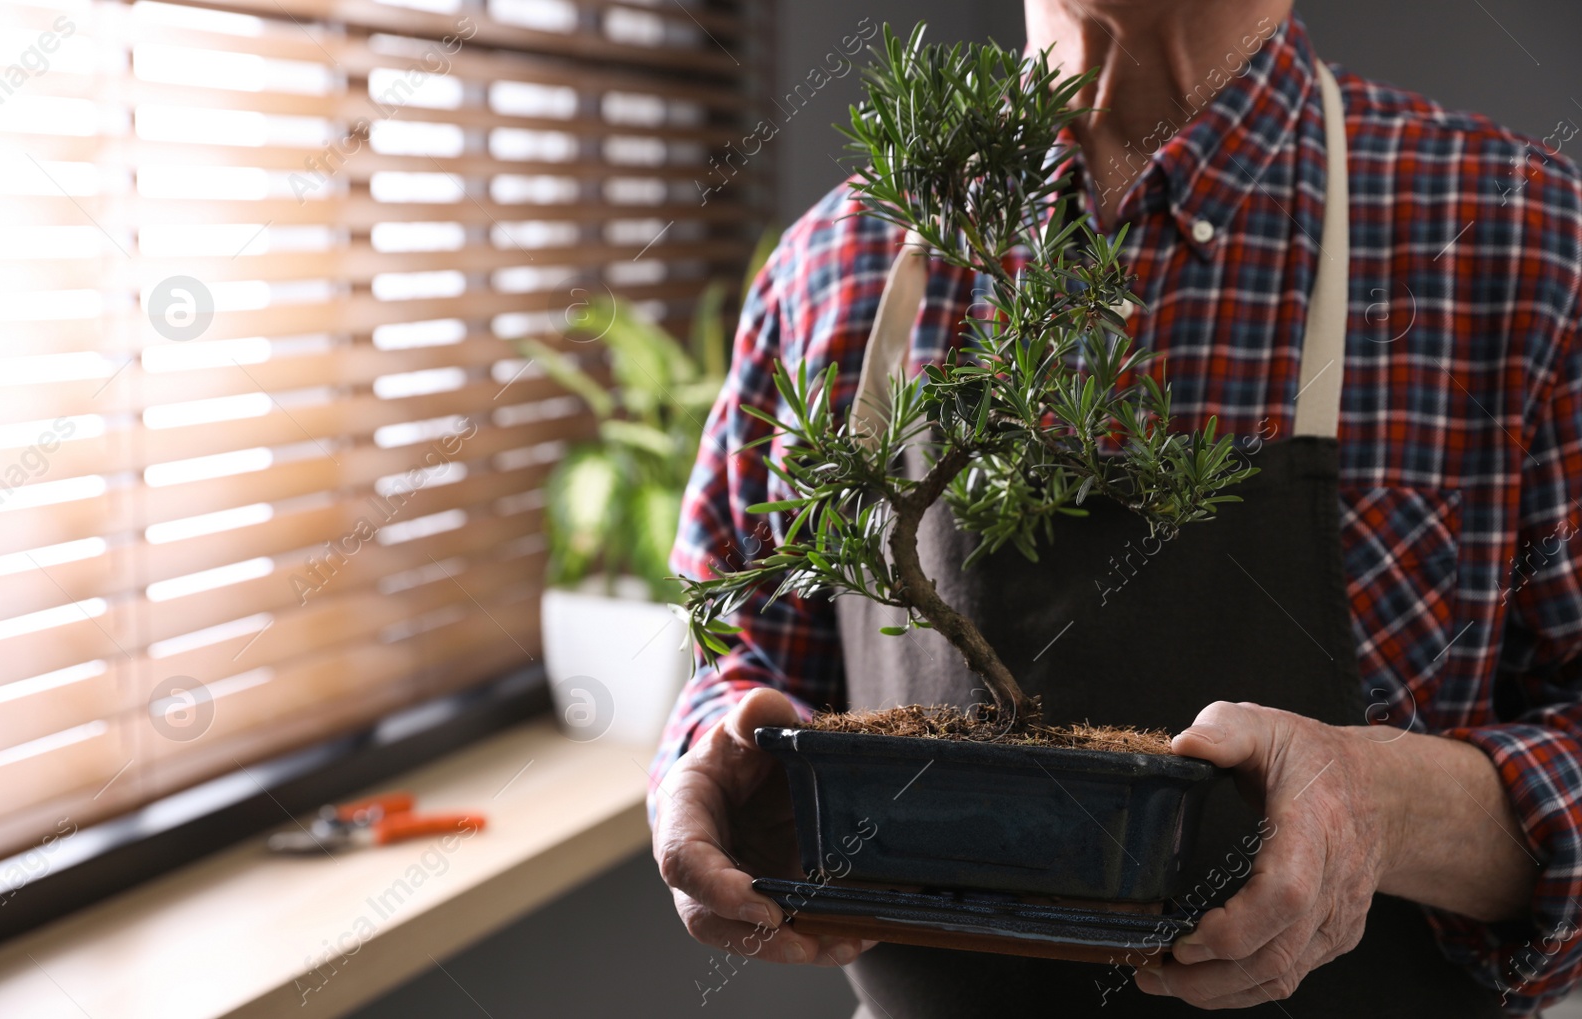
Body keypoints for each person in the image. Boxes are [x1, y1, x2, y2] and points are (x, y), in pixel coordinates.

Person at [649, 0, 1582, 1014]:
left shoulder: (1519, 244)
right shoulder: (835, 265)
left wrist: (1385, 808)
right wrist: (715, 760)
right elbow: (737, 661)